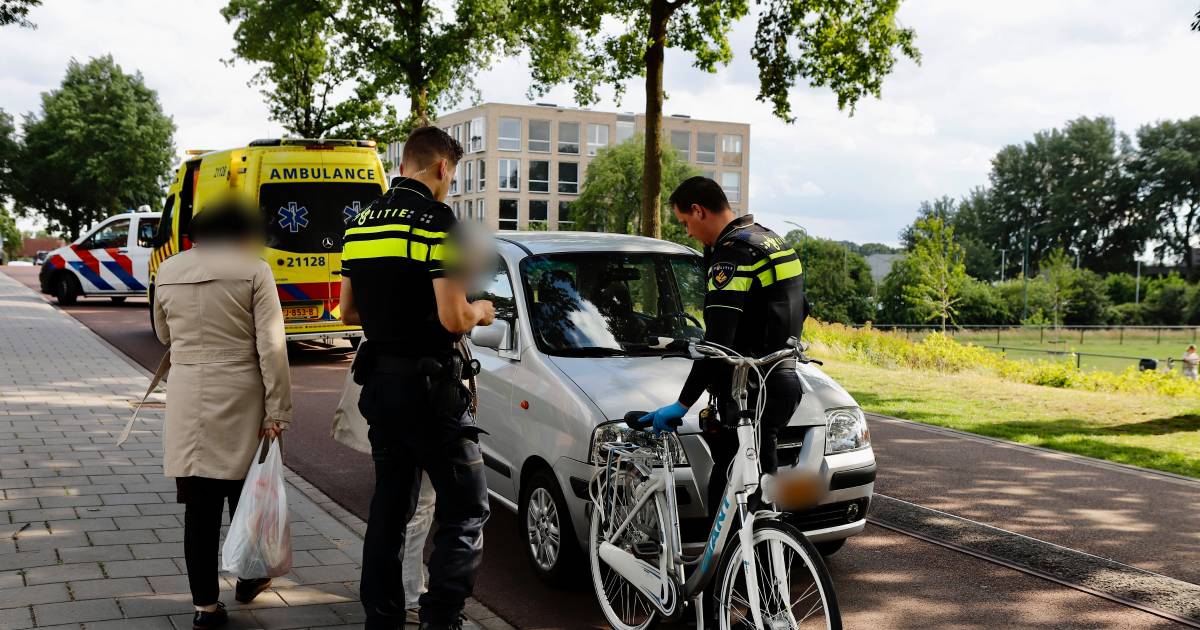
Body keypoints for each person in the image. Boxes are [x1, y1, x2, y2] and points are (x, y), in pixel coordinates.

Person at [339, 126, 494, 630]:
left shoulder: (359, 224)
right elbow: (453, 318)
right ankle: (439, 619)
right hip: (433, 392)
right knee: (467, 510)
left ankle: (381, 621)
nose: (450, 184)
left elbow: (346, 313)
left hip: (381, 388)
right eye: (453, 175)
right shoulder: (437, 220)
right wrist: (484, 311)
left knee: (389, 510)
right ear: (442, 168)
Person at [152, 197, 292, 629]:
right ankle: (250, 578)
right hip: (242, 393)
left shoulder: (168, 270)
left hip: (188, 394)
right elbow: (271, 346)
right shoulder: (254, 270)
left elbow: (162, 333)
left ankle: (205, 608)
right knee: (245, 495)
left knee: (199, 506)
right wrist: (278, 409)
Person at [641, 176, 807, 512]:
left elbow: (717, 342)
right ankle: (760, 557)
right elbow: (799, 308)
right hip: (783, 381)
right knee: (761, 492)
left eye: (686, 222)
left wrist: (682, 404)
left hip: (749, 390)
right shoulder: (772, 240)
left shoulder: (733, 255)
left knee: (728, 495)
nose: (687, 232)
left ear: (699, 211)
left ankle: (723, 563)